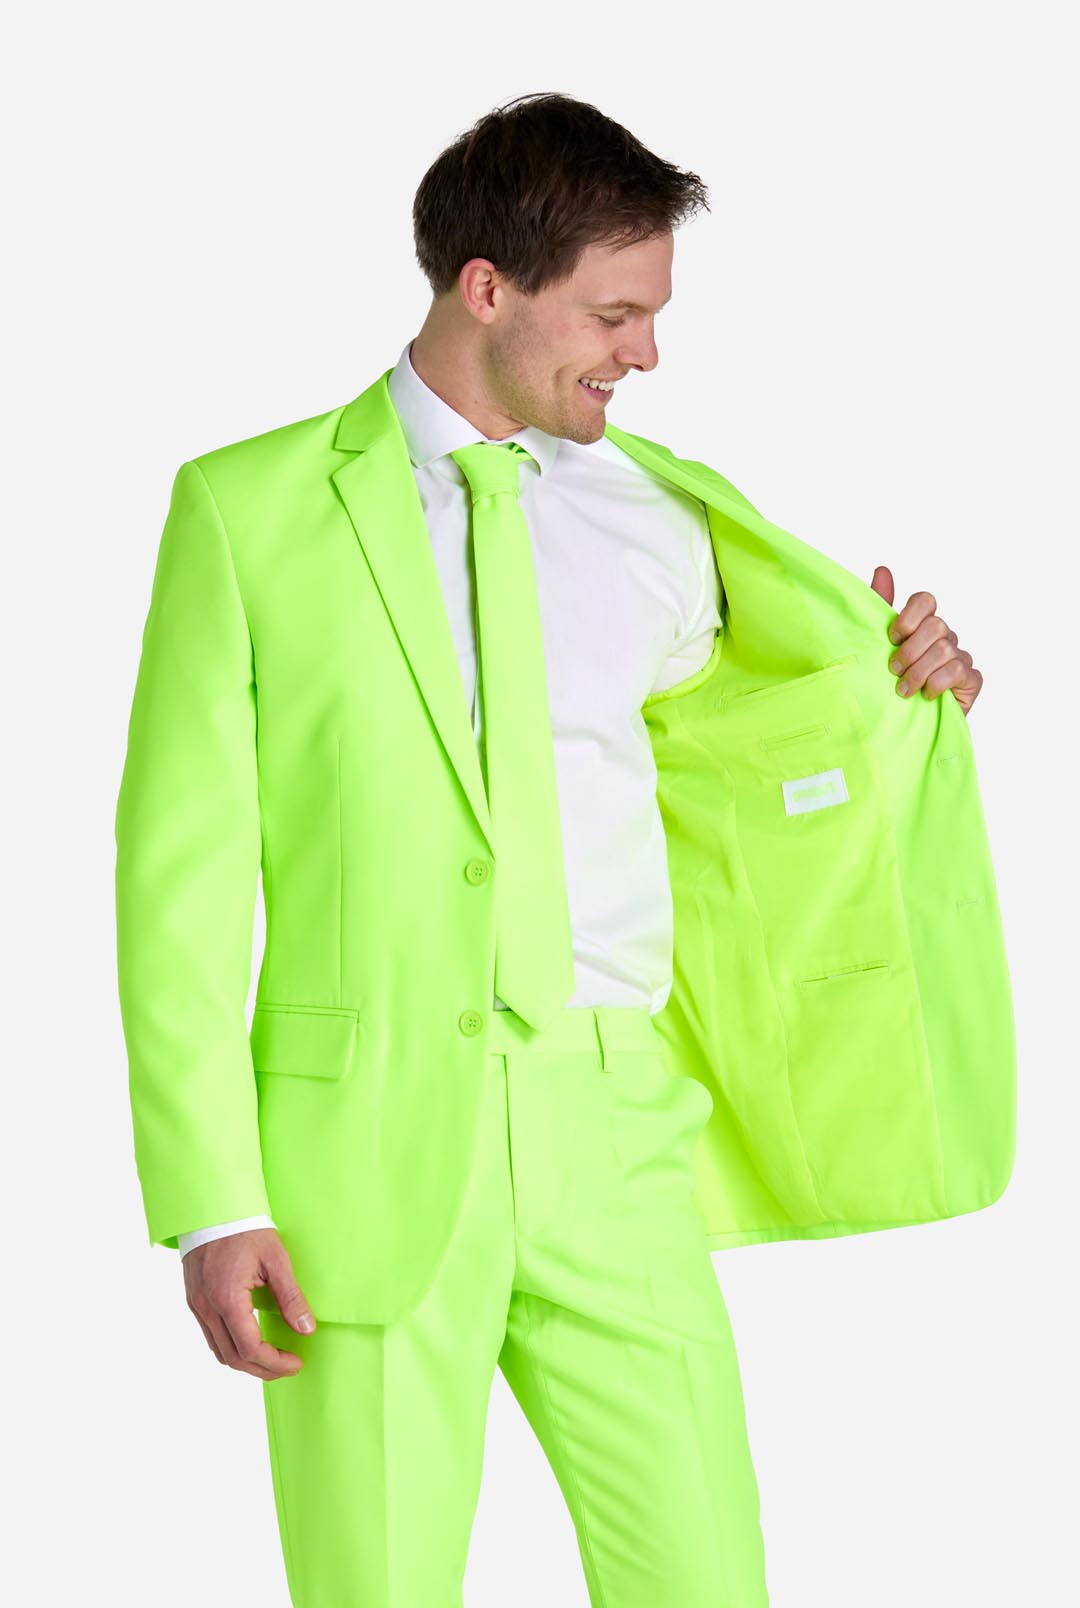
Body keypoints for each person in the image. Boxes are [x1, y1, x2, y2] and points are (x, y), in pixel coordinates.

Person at [114, 92, 1009, 1607]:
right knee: (376, 1586)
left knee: (705, 1577)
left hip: (615, 1122)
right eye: (614, 314)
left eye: (650, 316)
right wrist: (214, 1197)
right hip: (361, 1148)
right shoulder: (247, 512)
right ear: (487, 288)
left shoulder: (663, 521)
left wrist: (905, 683)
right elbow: (177, 883)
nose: (644, 354)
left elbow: (770, 747)